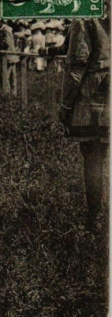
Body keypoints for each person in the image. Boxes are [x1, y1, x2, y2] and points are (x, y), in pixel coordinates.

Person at [44, 16, 109, 232]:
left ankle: (95, 217)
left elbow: (77, 63)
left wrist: (65, 105)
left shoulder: (85, 17)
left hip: (97, 96)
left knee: (93, 158)